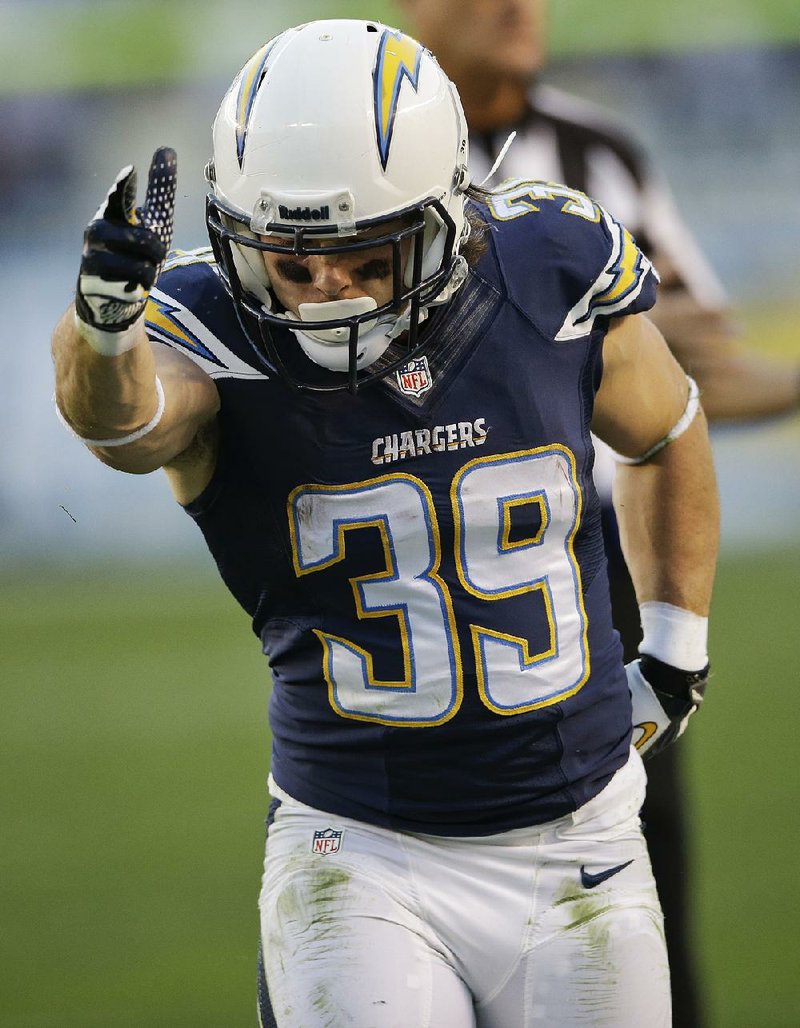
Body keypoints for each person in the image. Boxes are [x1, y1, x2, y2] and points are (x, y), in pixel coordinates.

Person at [52, 19, 720, 1027]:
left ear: (444, 213)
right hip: (358, 853)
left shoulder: (547, 265)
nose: (325, 286)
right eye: (291, 256)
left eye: (362, 250)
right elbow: (126, 424)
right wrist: (102, 328)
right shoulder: (209, 327)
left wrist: (672, 649)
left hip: (584, 837)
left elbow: (663, 428)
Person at [399, 2, 800, 1024]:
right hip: (409, 567)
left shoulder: (595, 150)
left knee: (644, 887)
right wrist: (572, 315)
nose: (515, 7)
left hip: (587, 570)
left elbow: (687, 371)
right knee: (405, 884)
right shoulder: (373, 149)